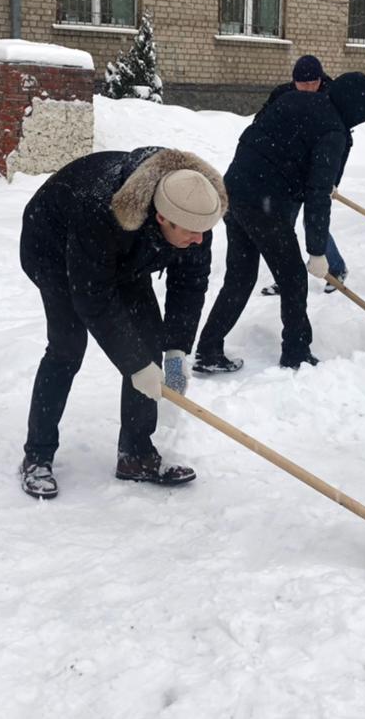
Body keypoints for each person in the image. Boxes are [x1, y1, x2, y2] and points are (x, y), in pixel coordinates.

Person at [17, 146, 228, 499]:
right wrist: (135, 366)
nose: (201, 240)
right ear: (163, 218)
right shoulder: (99, 207)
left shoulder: (195, 208)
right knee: (67, 348)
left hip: (126, 250)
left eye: (206, 231)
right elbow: (92, 298)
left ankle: (136, 456)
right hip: (53, 246)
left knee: (148, 343)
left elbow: (190, 283)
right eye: (193, 233)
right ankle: (37, 455)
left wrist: (176, 348)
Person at [194, 71, 365, 373]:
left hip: (234, 190)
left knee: (240, 278)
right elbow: (317, 195)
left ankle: (208, 348)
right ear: (354, 110)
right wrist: (318, 251)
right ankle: (296, 352)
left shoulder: (293, 99)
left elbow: (261, 138)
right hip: (264, 203)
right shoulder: (334, 130)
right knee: (293, 278)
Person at [258, 54, 349, 297]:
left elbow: (342, 143)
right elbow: (260, 127)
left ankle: (336, 269)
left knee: (314, 223)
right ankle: (286, 275)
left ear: (321, 79)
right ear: (293, 81)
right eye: (302, 83)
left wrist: (332, 180)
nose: (308, 88)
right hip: (286, 176)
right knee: (283, 227)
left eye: (313, 83)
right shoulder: (282, 96)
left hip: (318, 174)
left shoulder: (331, 99)